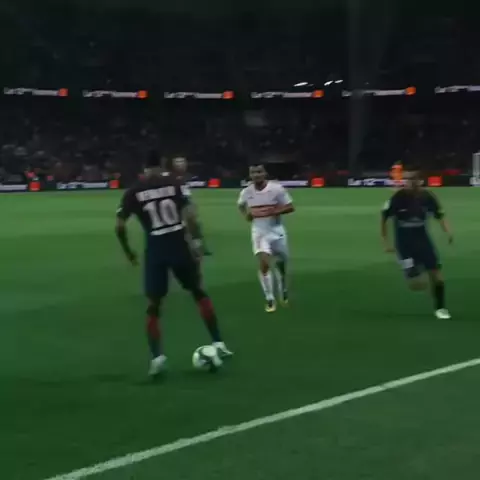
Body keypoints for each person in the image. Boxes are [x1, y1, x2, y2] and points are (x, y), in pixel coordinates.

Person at [115, 153, 232, 377]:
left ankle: (157, 358)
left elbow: (119, 226)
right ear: (161, 164)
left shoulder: (134, 191)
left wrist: (129, 252)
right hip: (179, 245)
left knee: (154, 305)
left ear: (144, 167)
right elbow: (191, 216)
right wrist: (197, 242)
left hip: (155, 249)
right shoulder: (175, 183)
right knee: (198, 292)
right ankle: (219, 343)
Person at [381, 167, 453, 319]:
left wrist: (448, 232)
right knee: (416, 284)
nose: (408, 182)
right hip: (404, 245)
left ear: (419, 181)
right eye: (406, 179)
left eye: (411, 179)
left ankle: (441, 308)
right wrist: (386, 242)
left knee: (437, 275)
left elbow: (439, 215)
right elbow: (384, 218)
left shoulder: (427, 197)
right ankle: (414, 274)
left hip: (423, 241)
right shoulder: (398, 198)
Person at [237, 163, 295, 312]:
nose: (256, 175)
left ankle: (283, 288)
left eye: (259, 172)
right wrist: (246, 215)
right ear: (250, 175)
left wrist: (276, 211)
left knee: (281, 264)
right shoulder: (247, 191)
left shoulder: (276, 189)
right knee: (264, 263)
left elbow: (290, 206)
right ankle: (269, 298)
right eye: (253, 172)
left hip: (277, 231)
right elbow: (240, 205)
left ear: (264, 173)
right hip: (259, 232)